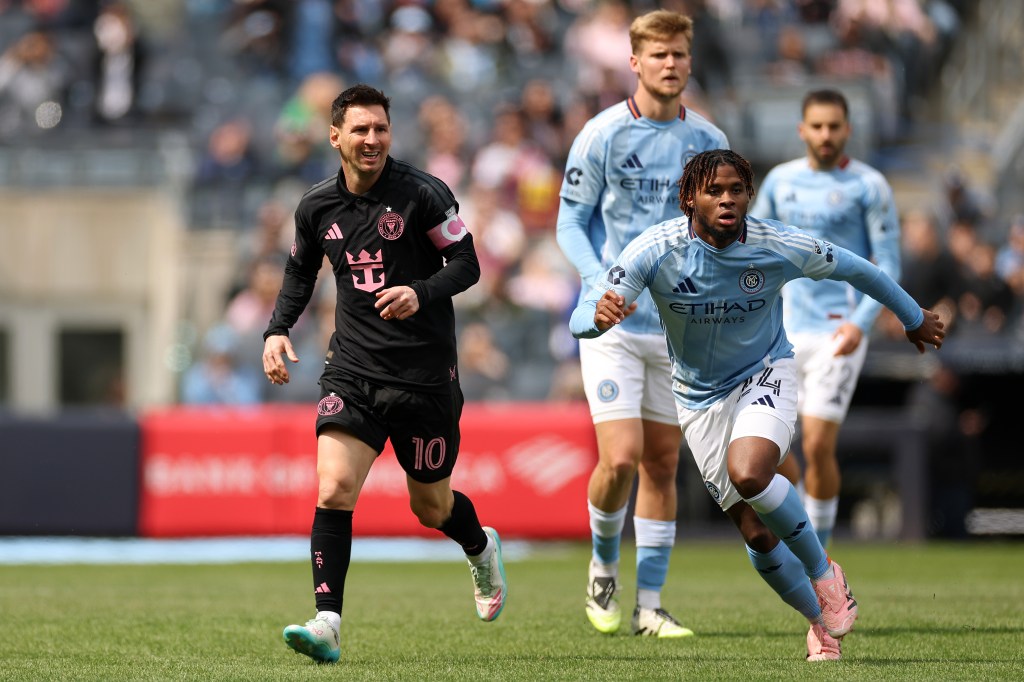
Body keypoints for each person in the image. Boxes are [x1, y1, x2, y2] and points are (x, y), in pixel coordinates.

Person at [569, 149, 944, 661]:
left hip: (764, 372)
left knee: (750, 472)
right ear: (688, 199)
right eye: (714, 191)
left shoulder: (778, 244)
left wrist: (911, 316)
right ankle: (820, 624)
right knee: (756, 536)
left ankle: (824, 573)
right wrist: (599, 318)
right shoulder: (654, 250)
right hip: (698, 400)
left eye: (736, 190)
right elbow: (582, 318)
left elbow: (861, 271)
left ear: (748, 195)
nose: (727, 199)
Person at [262, 83, 506, 665]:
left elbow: (468, 262)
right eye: (361, 130)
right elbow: (301, 273)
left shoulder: (423, 194)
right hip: (352, 371)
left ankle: (479, 547)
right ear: (335, 136)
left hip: (424, 379)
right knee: (333, 488)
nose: (372, 139)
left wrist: (420, 294)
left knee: (431, 508)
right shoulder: (316, 205)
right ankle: (328, 622)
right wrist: (276, 329)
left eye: (381, 129)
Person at [555, 9, 729, 638]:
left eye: (680, 55)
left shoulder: (708, 142)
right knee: (621, 459)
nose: (671, 64)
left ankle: (649, 606)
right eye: (659, 55)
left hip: (679, 329)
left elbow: (722, 231)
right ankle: (603, 566)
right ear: (634, 61)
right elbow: (571, 222)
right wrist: (599, 280)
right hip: (616, 325)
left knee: (662, 464)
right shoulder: (602, 135)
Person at [749, 88, 902, 549]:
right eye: (817, 126)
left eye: (834, 126)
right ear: (802, 130)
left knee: (816, 445)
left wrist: (863, 321)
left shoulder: (869, 185)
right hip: (781, 334)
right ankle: (801, 528)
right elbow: (753, 246)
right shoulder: (779, 182)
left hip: (839, 330)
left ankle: (821, 560)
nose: (825, 134)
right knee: (769, 448)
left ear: (848, 130)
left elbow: (889, 263)